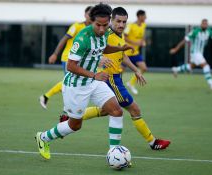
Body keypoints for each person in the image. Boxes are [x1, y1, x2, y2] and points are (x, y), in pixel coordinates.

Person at [60, 7, 171, 150]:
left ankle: (68, 119)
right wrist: (101, 59)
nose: (121, 25)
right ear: (111, 20)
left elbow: (122, 55)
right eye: (118, 21)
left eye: (124, 22)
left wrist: (136, 70)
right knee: (134, 109)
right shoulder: (105, 33)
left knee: (107, 110)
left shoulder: (119, 34)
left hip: (116, 78)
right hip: (110, 78)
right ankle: (153, 142)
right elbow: (95, 51)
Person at [35, 3, 135, 160]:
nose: (101, 29)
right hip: (76, 86)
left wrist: (120, 48)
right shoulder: (82, 38)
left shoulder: (103, 34)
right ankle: (43, 137)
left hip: (93, 82)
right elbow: (70, 66)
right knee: (75, 125)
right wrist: (94, 75)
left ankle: (114, 153)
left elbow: (103, 47)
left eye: (104, 25)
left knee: (117, 111)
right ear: (91, 21)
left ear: (109, 21)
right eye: (98, 25)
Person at [39, 6, 92, 109]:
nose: (90, 16)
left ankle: (50, 98)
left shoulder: (93, 29)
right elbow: (64, 39)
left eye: (92, 14)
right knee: (69, 81)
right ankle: (49, 98)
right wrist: (55, 54)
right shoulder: (76, 26)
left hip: (80, 59)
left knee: (73, 82)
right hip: (68, 57)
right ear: (85, 15)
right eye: (89, 14)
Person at [170, 19, 212, 90]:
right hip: (195, 53)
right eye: (203, 23)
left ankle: (176, 69)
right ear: (201, 24)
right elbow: (185, 40)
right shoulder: (195, 31)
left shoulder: (209, 31)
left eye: (206, 24)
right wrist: (175, 49)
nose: (205, 25)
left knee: (191, 67)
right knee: (206, 66)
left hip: (199, 53)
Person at [124, 10, 147, 95]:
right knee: (119, 72)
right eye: (144, 16)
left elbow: (143, 35)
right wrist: (135, 43)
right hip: (126, 53)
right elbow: (124, 37)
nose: (145, 18)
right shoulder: (130, 25)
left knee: (144, 68)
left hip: (135, 52)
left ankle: (131, 83)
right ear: (139, 16)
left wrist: (143, 41)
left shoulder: (144, 25)